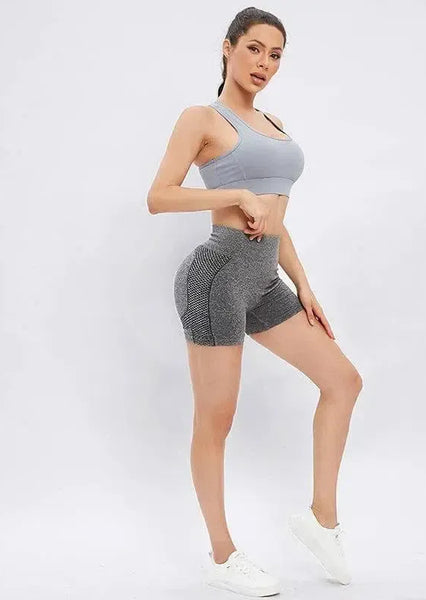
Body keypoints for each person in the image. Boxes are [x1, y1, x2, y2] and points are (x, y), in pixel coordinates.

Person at [147, 7, 363, 597]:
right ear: (228, 48)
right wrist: (235, 194)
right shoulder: (202, 118)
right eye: (254, 49)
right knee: (216, 419)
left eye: (275, 55)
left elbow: (275, 218)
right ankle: (222, 556)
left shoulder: (273, 123)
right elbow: (159, 196)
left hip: (265, 281)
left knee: (343, 382)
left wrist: (304, 285)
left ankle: (321, 520)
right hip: (216, 277)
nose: (264, 64)